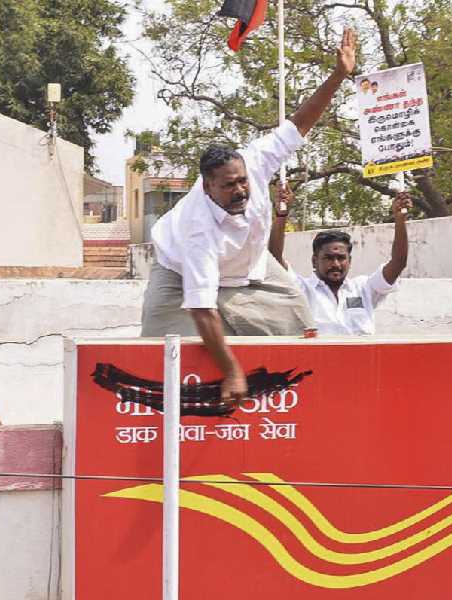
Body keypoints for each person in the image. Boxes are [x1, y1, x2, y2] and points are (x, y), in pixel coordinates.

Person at [141, 29, 358, 405]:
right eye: (229, 187)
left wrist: (338, 75)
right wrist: (232, 371)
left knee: (301, 322)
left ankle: (306, 402)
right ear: (208, 187)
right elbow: (202, 308)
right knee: (163, 355)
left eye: (243, 182)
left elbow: (301, 123)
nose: (241, 191)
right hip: (177, 275)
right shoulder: (198, 231)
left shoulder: (256, 161)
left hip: (252, 266)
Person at [268, 184, 413, 335]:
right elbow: (274, 259)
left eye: (341, 258)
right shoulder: (301, 290)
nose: (335, 264)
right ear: (314, 260)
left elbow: (398, 263)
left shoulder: (364, 288)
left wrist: (400, 219)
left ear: (349, 260)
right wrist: (281, 216)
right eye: (328, 258)